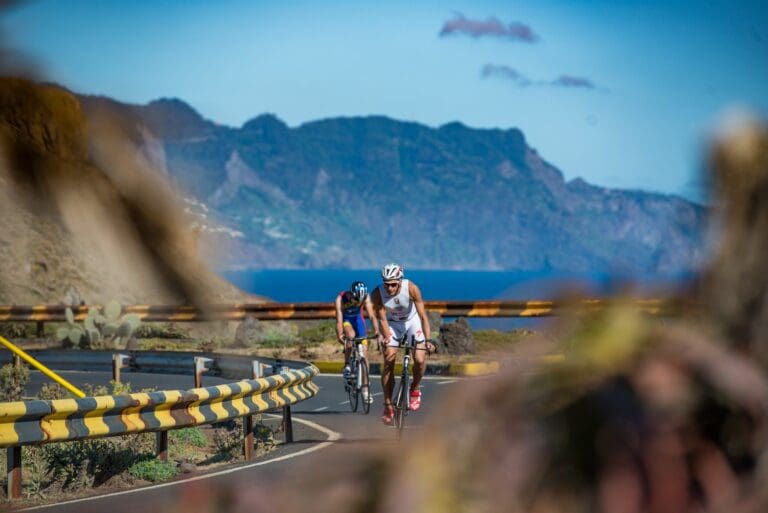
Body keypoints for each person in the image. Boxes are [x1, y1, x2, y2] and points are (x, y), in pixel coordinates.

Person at [371, 263, 433, 425]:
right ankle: (387, 405)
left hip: (412, 322)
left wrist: (428, 340)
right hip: (392, 324)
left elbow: (423, 317)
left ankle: (415, 388)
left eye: (393, 284)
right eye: (386, 284)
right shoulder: (377, 294)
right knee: (388, 358)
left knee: (419, 359)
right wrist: (385, 337)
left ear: (400, 281)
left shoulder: (412, 288)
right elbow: (382, 319)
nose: (389, 288)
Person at [335, 281, 379, 404]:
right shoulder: (341, 298)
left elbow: (372, 316)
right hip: (346, 321)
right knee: (351, 336)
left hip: (358, 320)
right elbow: (339, 320)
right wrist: (340, 334)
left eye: (359, 300)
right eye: (355, 299)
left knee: (364, 354)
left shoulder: (365, 297)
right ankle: (347, 365)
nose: (356, 302)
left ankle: (365, 389)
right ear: (351, 294)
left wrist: (376, 331)